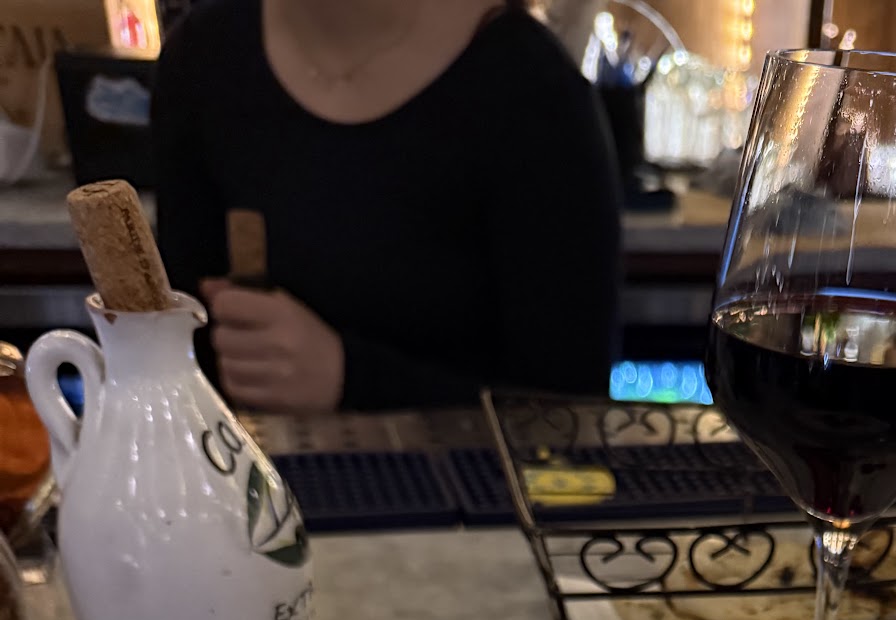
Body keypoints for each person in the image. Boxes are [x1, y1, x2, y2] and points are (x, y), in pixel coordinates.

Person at [153, 0, 623, 412]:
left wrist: (350, 380)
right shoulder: (202, 57)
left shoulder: (533, 90)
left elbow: (571, 416)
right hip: (239, 482)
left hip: (464, 489)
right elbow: (173, 355)